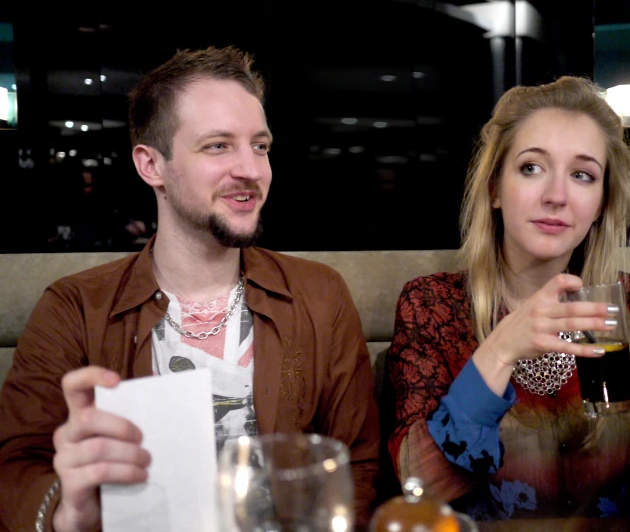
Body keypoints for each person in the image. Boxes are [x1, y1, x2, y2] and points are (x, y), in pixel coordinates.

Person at [0, 46, 379, 532]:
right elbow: (16, 466)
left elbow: (360, 464)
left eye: (260, 146)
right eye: (218, 145)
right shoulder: (74, 308)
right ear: (151, 165)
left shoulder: (319, 295)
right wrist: (67, 511)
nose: (252, 169)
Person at [386, 76, 630, 520]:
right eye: (532, 168)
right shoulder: (432, 305)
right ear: (495, 189)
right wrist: (500, 350)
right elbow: (420, 487)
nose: (556, 196)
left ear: (600, 204)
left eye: (582, 175)